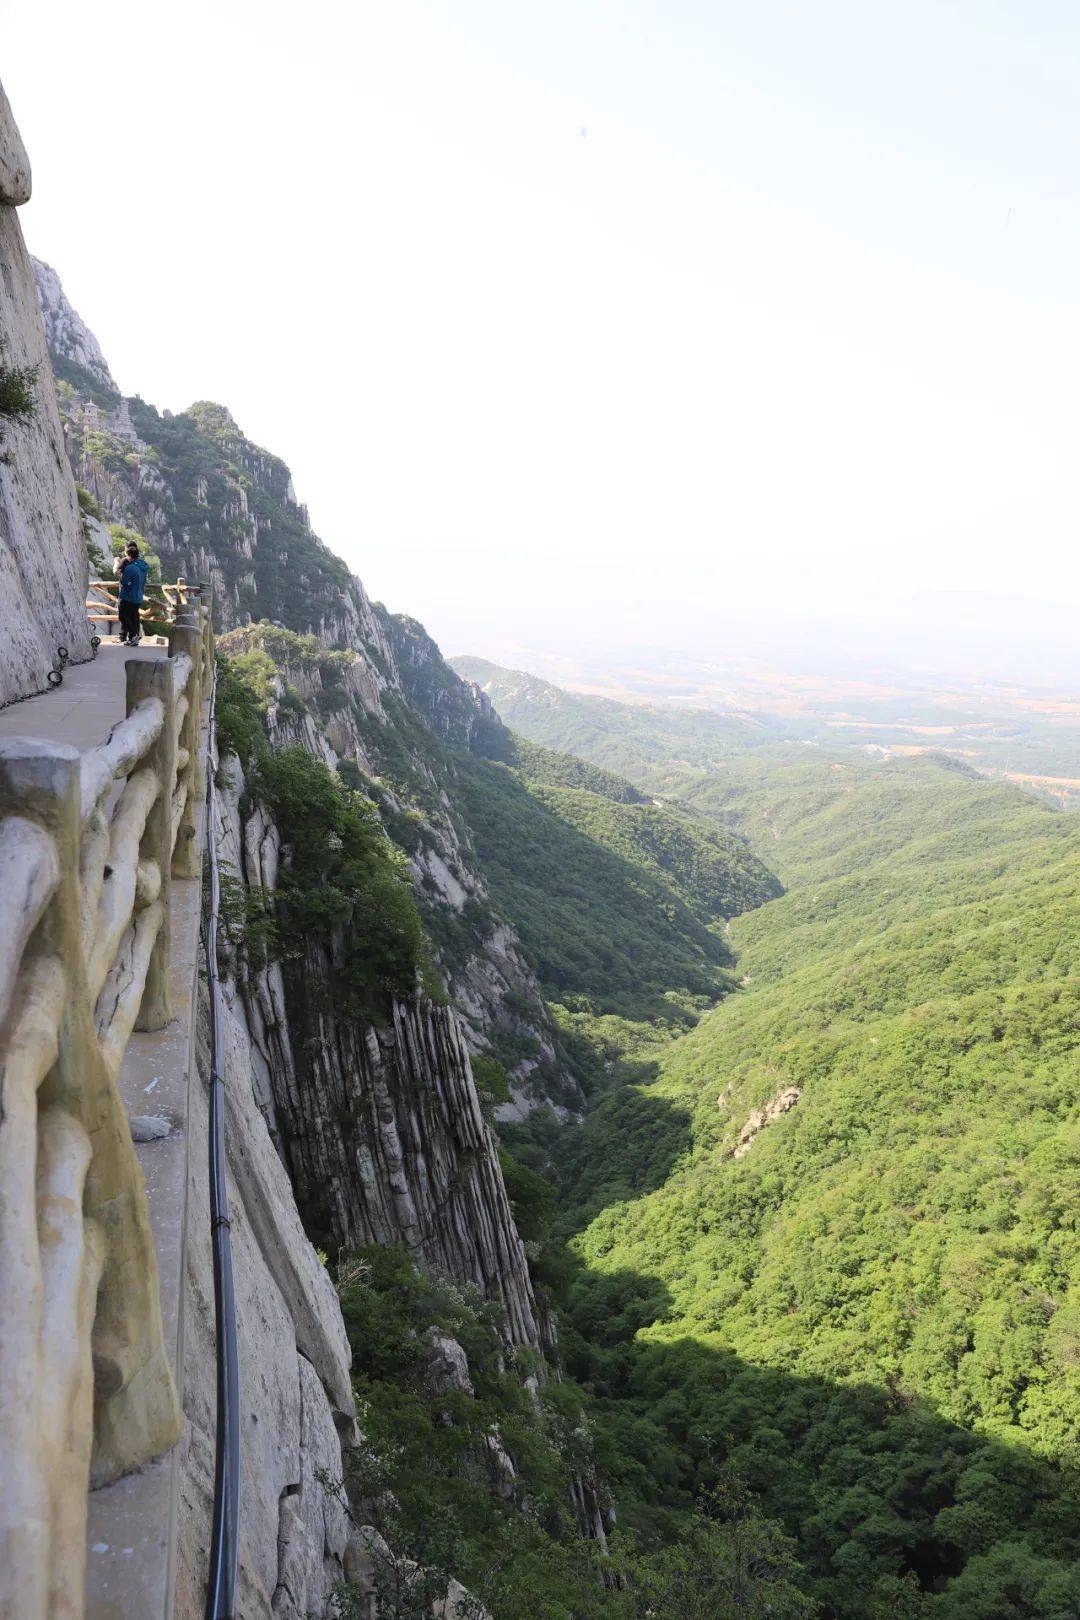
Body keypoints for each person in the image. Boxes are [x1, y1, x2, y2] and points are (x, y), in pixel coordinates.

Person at [115, 540, 149, 644]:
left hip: (128, 596)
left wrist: (119, 575)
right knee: (134, 617)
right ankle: (133, 639)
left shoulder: (130, 567)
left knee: (123, 616)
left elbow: (124, 581)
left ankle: (134, 634)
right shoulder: (143, 565)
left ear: (128, 555)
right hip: (138, 596)